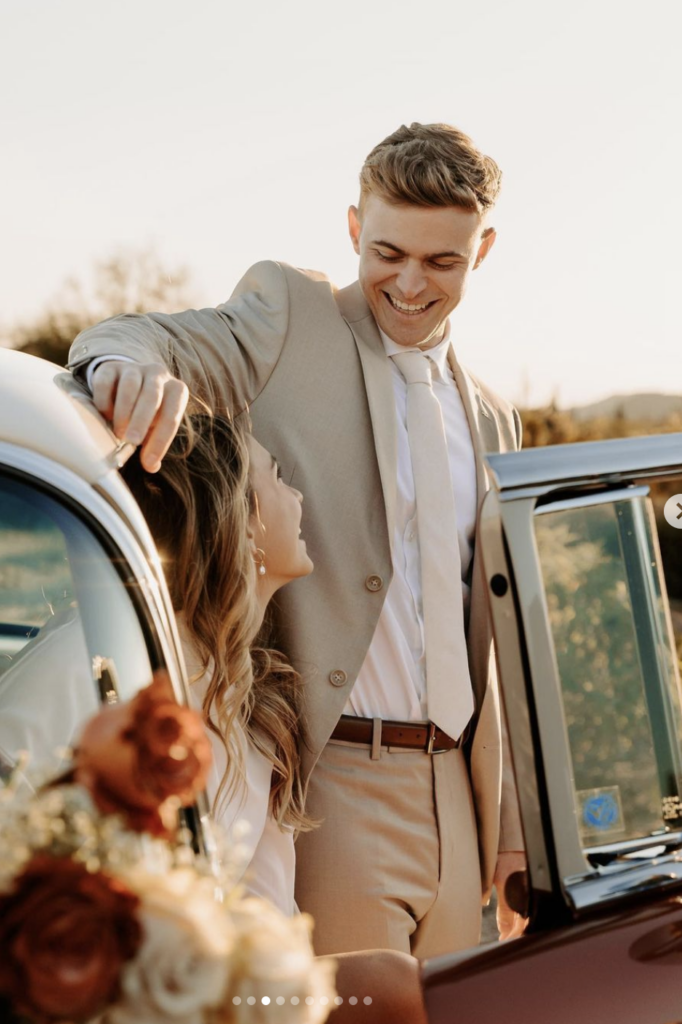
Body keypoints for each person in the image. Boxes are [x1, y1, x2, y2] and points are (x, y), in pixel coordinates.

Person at [68, 122, 527, 958]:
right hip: (331, 774)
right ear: (354, 227)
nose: (411, 284)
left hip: (459, 789)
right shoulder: (289, 317)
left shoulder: (494, 415)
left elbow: (494, 638)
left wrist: (510, 828)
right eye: (388, 252)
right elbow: (143, 336)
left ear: (483, 249)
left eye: (442, 261)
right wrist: (118, 366)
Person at [121, 409, 426, 1023]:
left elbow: (269, 913)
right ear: (242, 518)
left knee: (406, 986)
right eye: (277, 476)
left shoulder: (249, 702)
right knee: (400, 987)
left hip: (230, 989)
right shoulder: (138, 675)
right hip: (149, 990)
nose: (296, 495)